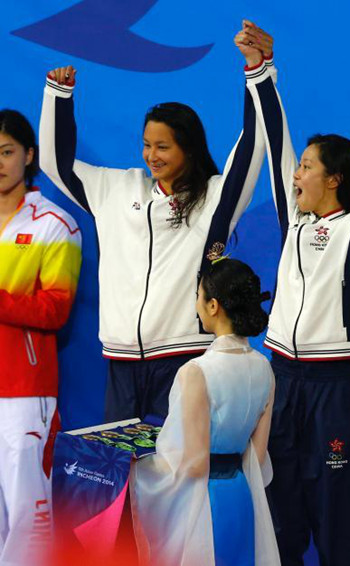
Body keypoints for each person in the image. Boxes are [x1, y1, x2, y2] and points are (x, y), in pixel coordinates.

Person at [38, 22, 278, 423]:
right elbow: (55, 163)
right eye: (147, 145)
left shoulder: (215, 198)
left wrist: (259, 69)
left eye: (163, 146)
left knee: (178, 476)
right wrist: (57, 97)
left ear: (189, 147)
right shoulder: (116, 189)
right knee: (125, 477)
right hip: (121, 363)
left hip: (185, 360)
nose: (152, 155)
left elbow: (253, 146)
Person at [246, 26, 350, 566]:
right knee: (280, 524)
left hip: (335, 394)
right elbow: (275, 143)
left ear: (334, 179)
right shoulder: (295, 226)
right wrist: (263, 69)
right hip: (281, 385)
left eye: (307, 167)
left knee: (337, 531)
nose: (295, 173)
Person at [133, 257, 278, 566]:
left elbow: (193, 464)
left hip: (203, 502)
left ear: (213, 306)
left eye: (198, 296)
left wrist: (138, 470)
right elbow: (259, 455)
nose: (196, 304)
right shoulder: (265, 368)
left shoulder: (196, 371)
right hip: (241, 495)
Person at [0, 109, 82, 564]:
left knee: (27, 515)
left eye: (7, 152)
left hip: (23, 392)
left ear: (29, 155)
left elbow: (55, 309)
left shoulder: (55, 223)